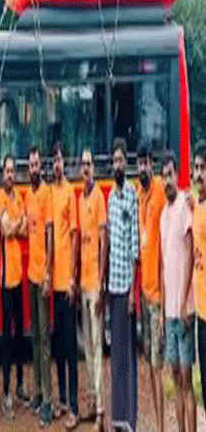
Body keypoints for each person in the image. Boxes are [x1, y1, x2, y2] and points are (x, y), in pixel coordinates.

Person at [159, 152, 196, 432]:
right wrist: (162, 312)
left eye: (170, 174)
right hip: (169, 313)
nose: (167, 181)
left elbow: (194, 255)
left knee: (186, 379)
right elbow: (163, 265)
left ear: (177, 176)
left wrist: (184, 304)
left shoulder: (185, 205)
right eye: (164, 176)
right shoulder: (163, 214)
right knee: (174, 375)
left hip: (184, 311)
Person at [107, 137, 140, 432]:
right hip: (112, 285)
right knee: (115, 353)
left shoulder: (132, 196)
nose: (117, 165)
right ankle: (118, 416)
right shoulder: (110, 199)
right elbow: (110, 245)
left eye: (121, 160)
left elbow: (134, 246)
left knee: (129, 355)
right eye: (114, 161)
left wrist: (133, 292)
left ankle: (131, 417)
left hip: (126, 286)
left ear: (126, 163)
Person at [135, 142, 166, 432]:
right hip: (145, 294)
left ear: (152, 164)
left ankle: (160, 426)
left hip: (158, 297)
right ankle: (158, 424)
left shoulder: (159, 193)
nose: (142, 168)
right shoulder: (140, 192)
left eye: (145, 163)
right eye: (139, 163)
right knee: (150, 366)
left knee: (157, 368)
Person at [48, 141, 79, 429]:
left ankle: (74, 406)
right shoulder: (50, 193)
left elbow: (74, 237)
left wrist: (72, 279)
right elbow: (50, 237)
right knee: (58, 347)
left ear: (64, 163)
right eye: (53, 161)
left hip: (66, 285)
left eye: (59, 160)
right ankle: (60, 401)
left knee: (70, 348)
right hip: (53, 285)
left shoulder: (70, 192)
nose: (56, 165)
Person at [78, 147, 107, 431]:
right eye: (83, 164)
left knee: (98, 347)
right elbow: (80, 244)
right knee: (86, 346)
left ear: (94, 169)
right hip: (82, 283)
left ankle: (100, 409)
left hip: (94, 286)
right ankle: (91, 400)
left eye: (89, 164)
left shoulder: (98, 198)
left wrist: (100, 285)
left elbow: (102, 242)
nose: (85, 169)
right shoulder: (80, 199)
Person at [0, 153, 28, 419]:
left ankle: (19, 386)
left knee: (20, 335)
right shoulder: (1, 199)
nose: (9, 175)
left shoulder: (19, 198)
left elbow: (24, 229)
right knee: (6, 338)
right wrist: (17, 225)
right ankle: (6, 391)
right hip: (6, 278)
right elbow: (7, 230)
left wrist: (16, 225)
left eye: (12, 171)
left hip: (19, 277)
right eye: (6, 171)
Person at [25, 145, 53, 427]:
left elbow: (48, 234)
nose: (34, 169)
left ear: (41, 167)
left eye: (36, 165)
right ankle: (37, 391)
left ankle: (48, 400)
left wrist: (47, 275)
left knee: (45, 339)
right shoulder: (28, 196)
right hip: (30, 276)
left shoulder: (45, 194)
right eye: (30, 165)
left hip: (41, 276)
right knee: (33, 336)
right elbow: (26, 226)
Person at [192, 141, 206, 414]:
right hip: (201, 313)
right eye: (196, 168)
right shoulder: (197, 208)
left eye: (203, 168)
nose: (199, 173)